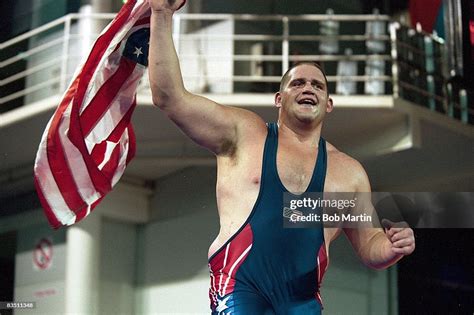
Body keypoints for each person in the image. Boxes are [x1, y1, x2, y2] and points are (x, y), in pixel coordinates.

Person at [148, 0, 415, 313]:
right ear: (279, 98)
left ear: (328, 104)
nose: (308, 88)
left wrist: (393, 247)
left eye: (317, 85)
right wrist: (160, 13)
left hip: (301, 302)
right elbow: (169, 98)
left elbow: (370, 245)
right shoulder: (244, 134)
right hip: (240, 288)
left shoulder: (348, 173)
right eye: (297, 83)